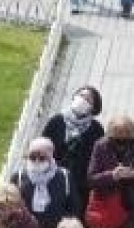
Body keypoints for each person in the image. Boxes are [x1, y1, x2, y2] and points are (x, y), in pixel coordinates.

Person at [44, 85, 105, 217]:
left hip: (81, 186)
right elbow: (43, 146)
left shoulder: (96, 129)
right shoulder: (57, 121)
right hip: (55, 180)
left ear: (93, 108)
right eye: (81, 96)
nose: (83, 100)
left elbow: (100, 157)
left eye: (88, 100)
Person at [10, 137, 78, 228]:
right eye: (32, 157)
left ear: (51, 158)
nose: (36, 161)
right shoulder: (18, 177)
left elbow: (74, 208)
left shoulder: (64, 176)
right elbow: (10, 206)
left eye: (42, 158)